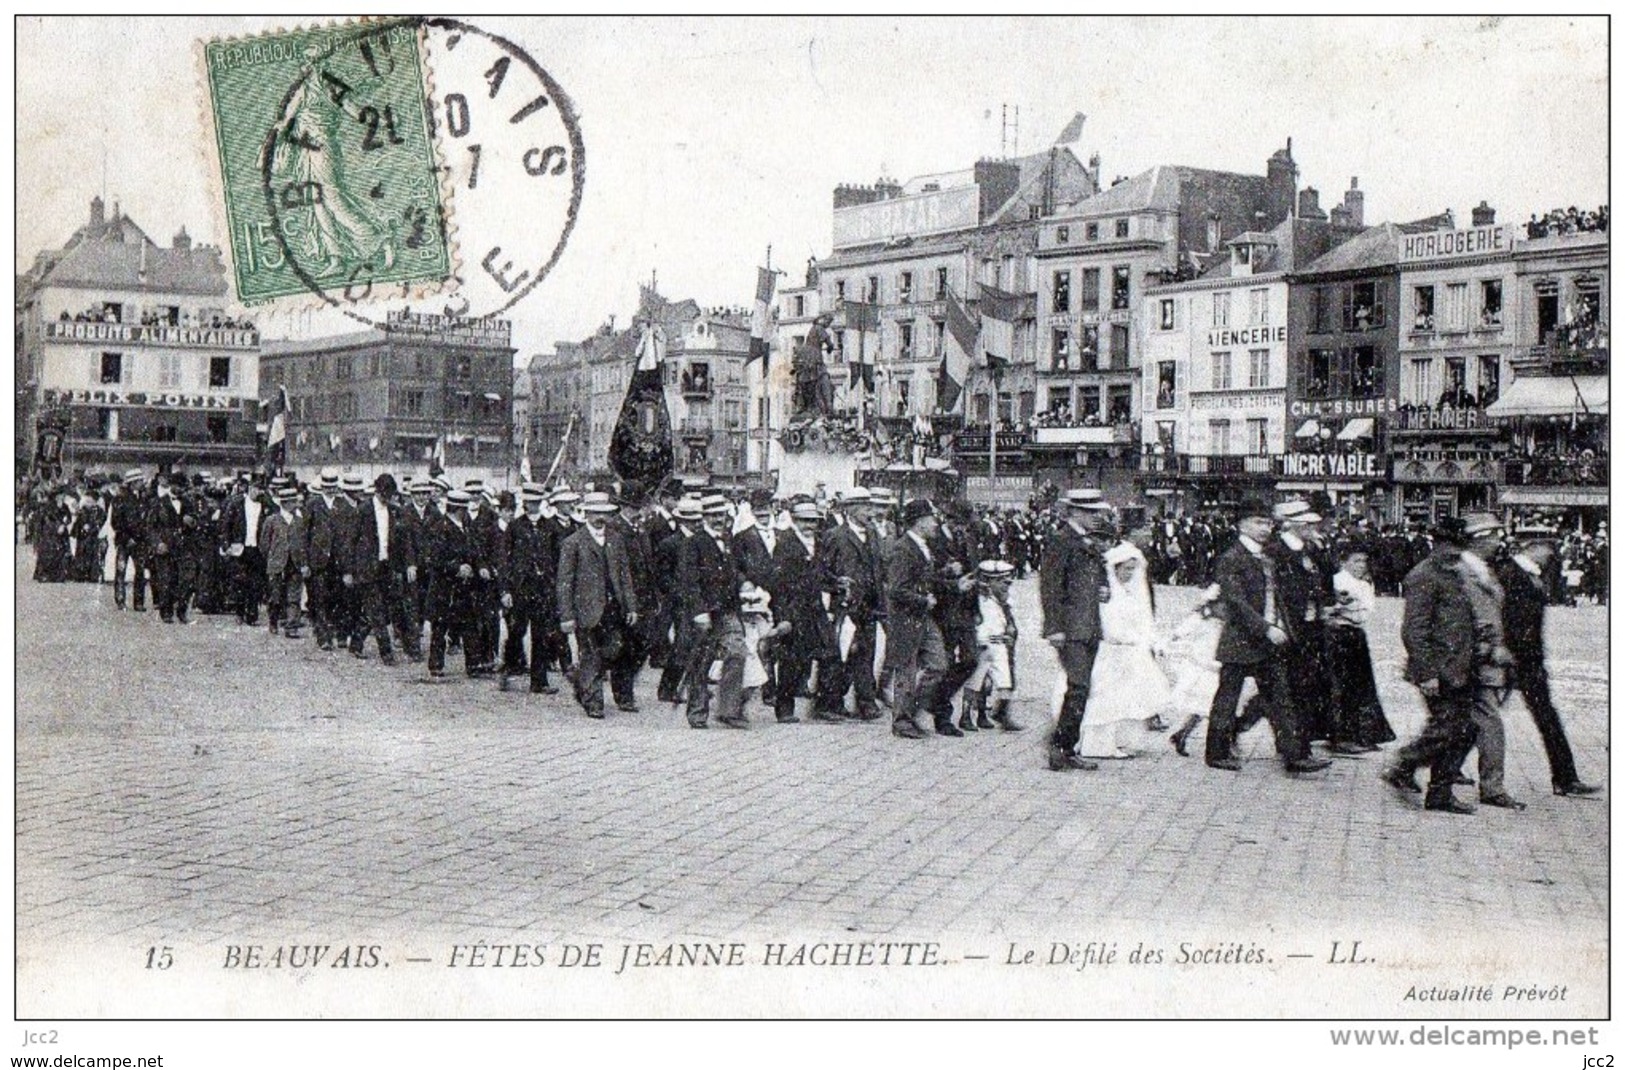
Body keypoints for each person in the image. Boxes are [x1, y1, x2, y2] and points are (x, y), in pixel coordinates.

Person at [1384, 514, 1521, 813]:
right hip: (1439, 668)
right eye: (1452, 545)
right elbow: (1414, 630)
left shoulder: (1453, 572)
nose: (1457, 551)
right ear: (1439, 544)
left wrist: (1485, 644)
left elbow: (1467, 618)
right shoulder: (1424, 575)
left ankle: (1439, 792)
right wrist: (1427, 673)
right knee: (1448, 728)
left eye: (1460, 546)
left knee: (1466, 729)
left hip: (1462, 665)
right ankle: (1403, 766)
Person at [1203, 497, 1330, 776]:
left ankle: (1294, 755)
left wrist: (1282, 625)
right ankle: (1216, 752)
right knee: (1227, 698)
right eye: (1258, 523)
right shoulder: (1232, 558)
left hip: (1267, 641)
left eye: (1268, 523)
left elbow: (1276, 597)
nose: (1265, 528)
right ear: (1241, 525)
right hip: (1241, 640)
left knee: (1280, 698)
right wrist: (1266, 628)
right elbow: (1237, 604)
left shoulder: (1266, 556)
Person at [1495, 533, 1601, 798]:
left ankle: (1566, 778)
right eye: (1545, 547)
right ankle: (1421, 764)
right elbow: (1508, 619)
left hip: (1526, 661)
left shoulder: (1528, 573)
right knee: (1478, 719)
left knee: (1545, 718)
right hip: (1516, 660)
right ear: (1531, 547)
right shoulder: (1511, 574)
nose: (1549, 552)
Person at [1039, 488, 1118, 772]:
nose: (1097, 517)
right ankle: (1060, 748)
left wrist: (1103, 588)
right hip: (1070, 629)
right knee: (1079, 686)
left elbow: (1094, 578)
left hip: (1089, 626)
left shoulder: (1086, 542)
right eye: (1091, 512)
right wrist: (1053, 627)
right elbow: (1049, 586)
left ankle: (1065, 746)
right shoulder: (1061, 541)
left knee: (1081, 688)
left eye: (1097, 512)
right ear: (1074, 512)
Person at [1078, 539, 1168, 759]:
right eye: (1126, 569)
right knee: (1103, 697)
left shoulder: (1132, 593)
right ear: (1115, 567)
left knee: (1125, 697)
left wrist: (1149, 640)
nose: (1129, 574)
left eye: (1132, 569)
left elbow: (1142, 621)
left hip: (1128, 651)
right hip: (1110, 650)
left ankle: (1118, 741)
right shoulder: (1106, 592)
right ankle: (1096, 744)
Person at [556, 491, 640, 719]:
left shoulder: (616, 540)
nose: (599, 518)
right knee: (591, 654)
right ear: (585, 513)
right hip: (587, 610)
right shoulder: (572, 543)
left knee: (618, 650)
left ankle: (620, 695)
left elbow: (625, 576)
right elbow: (564, 582)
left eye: (604, 513)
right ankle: (593, 701)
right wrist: (566, 615)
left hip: (614, 607)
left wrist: (631, 606)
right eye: (594, 513)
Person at [885, 498, 952, 739]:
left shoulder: (922, 546)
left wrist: (950, 580)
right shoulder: (903, 549)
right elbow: (896, 590)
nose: (936, 523)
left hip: (921, 617)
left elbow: (926, 578)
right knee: (906, 670)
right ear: (920, 522)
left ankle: (910, 711)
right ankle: (902, 721)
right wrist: (923, 600)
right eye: (932, 519)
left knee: (938, 665)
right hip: (906, 618)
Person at [678, 494, 746, 728]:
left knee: (737, 654)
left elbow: (735, 572)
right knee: (701, 662)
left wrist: (744, 585)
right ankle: (697, 713)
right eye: (713, 515)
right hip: (704, 612)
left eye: (722, 515)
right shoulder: (694, 543)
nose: (719, 519)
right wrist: (698, 611)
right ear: (704, 517)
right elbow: (689, 581)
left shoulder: (729, 541)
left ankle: (728, 710)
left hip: (727, 611)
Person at [770, 501, 838, 725]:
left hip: (816, 607)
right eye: (804, 520)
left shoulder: (818, 543)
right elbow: (778, 585)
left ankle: (823, 705)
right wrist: (783, 617)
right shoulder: (785, 543)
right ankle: (784, 709)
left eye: (813, 521)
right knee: (792, 660)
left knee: (830, 652)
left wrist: (836, 583)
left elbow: (821, 573)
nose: (809, 525)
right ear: (794, 520)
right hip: (794, 608)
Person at [1324, 550, 1396, 751]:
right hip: (1336, 634)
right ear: (1343, 561)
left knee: (1362, 685)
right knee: (1342, 686)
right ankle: (1341, 736)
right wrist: (1341, 606)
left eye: (1364, 561)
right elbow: (1332, 607)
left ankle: (1363, 734)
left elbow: (1365, 611)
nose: (1361, 565)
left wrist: (1349, 608)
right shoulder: (1336, 581)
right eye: (1356, 560)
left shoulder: (1365, 585)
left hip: (1356, 634)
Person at [342, 474, 410, 666]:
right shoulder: (362, 511)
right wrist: (348, 571)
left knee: (378, 610)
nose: (388, 498)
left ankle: (356, 643)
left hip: (385, 567)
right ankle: (386, 653)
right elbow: (350, 542)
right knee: (377, 611)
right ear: (377, 491)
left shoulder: (394, 511)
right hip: (366, 569)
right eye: (385, 494)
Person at [962, 560, 1023, 732]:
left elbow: (1007, 621)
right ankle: (966, 716)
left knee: (1004, 681)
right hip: (984, 645)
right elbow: (976, 623)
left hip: (1000, 643)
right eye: (1003, 582)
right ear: (991, 581)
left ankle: (1001, 713)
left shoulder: (1004, 600)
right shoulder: (980, 600)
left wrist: (1009, 634)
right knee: (977, 682)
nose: (1006, 586)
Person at [1166, 585, 1224, 756]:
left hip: (1214, 668)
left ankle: (1182, 733)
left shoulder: (1225, 623)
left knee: (1205, 708)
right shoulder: (1200, 619)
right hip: (1202, 668)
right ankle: (1187, 734)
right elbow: (1181, 631)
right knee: (1206, 707)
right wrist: (1171, 639)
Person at [261, 486, 308, 639]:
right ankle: (273, 621)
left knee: (294, 596)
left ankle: (291, 626)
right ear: (284, 503)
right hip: (277, 564)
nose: (295, 505)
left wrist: (304, 563)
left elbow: (304, 544)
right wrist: (272, 558)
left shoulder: (300, 521)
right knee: (275, 596)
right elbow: (264, 544)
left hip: (295, 563)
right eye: (292, 502)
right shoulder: (272, 520)